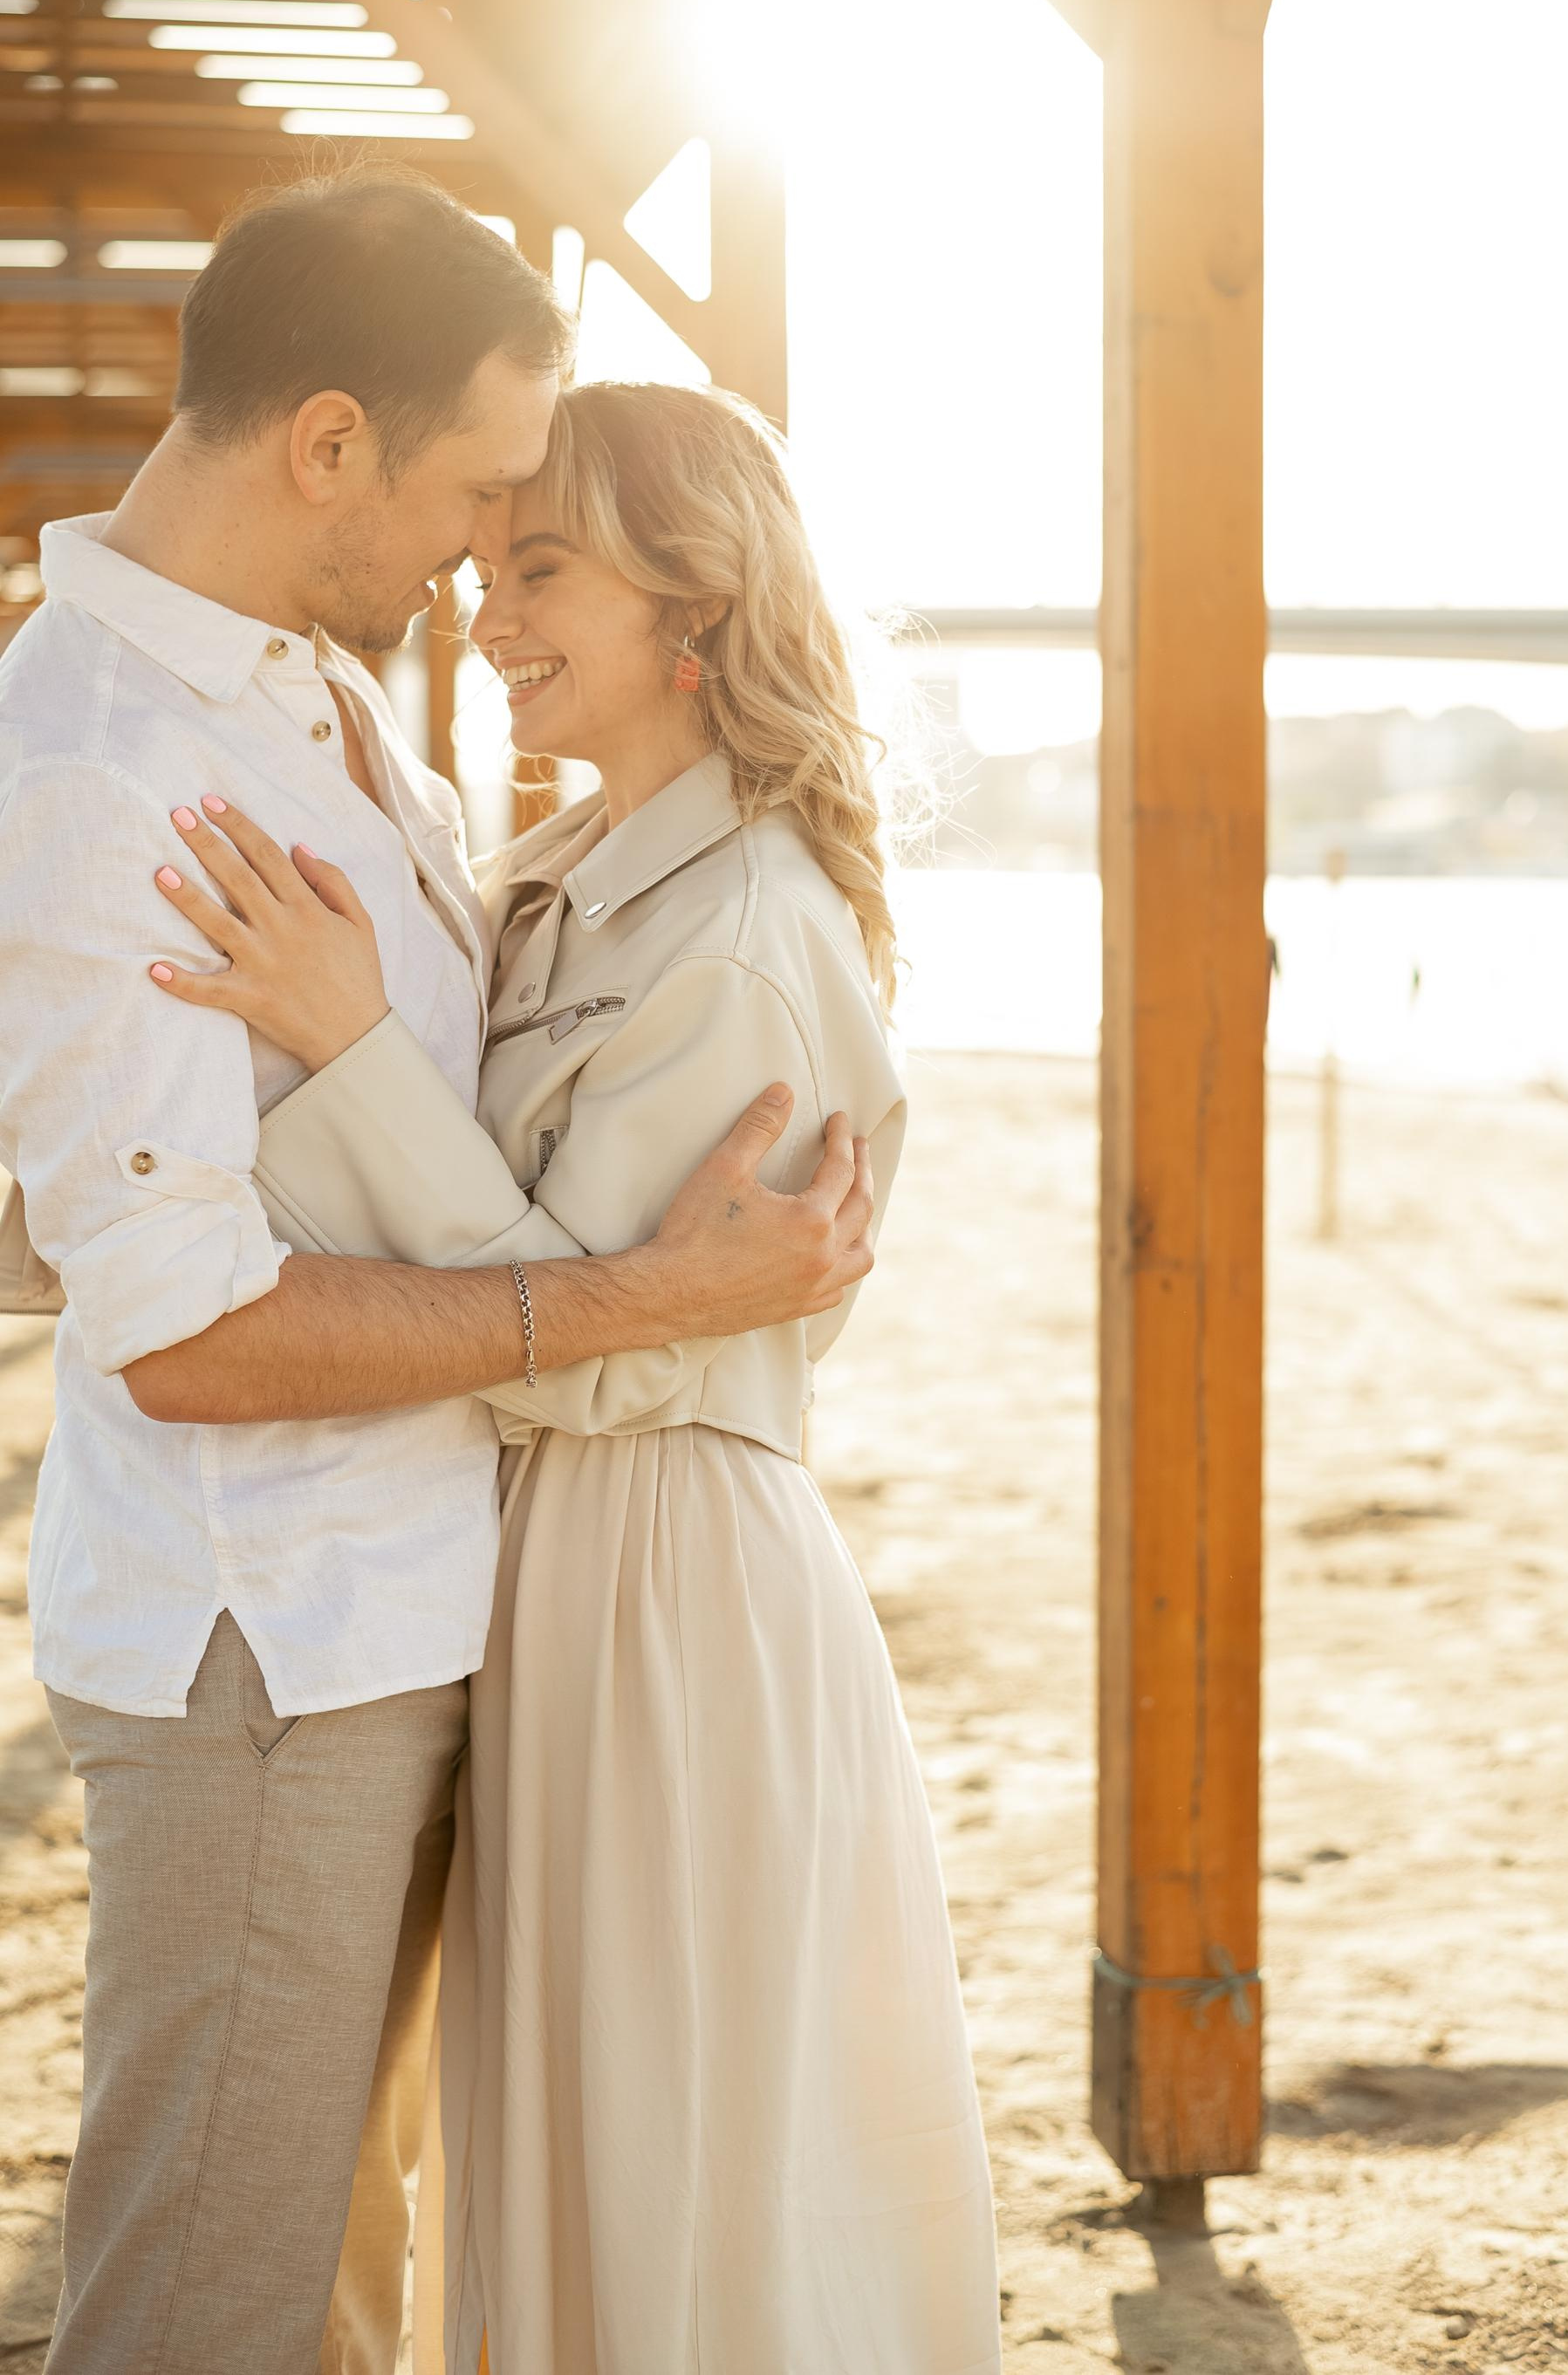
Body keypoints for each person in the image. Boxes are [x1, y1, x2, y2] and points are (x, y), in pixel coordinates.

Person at [0, 175, 877, 2375]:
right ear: (328, 445)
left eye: (540, 539)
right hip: (268, 1639)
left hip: (412, 1610)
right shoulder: (114, 758)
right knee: (212, 2294)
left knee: (336, 2290)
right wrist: (638, 1300)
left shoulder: (306, 687)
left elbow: (141, 1194)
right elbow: (190, 1325)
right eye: (485, 494)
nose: (486, 565)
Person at [147, 380, 1003, 2373]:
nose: (487, 606)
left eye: (541, 568)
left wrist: (351, 1036)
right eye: (492, 558)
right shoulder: (548, 879)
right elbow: (550, 1281)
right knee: (567, 2146)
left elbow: (599, 1350)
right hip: (539, 1576)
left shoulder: (748, 935)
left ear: (689, 606)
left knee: (668, 2147)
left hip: (666, 1580)